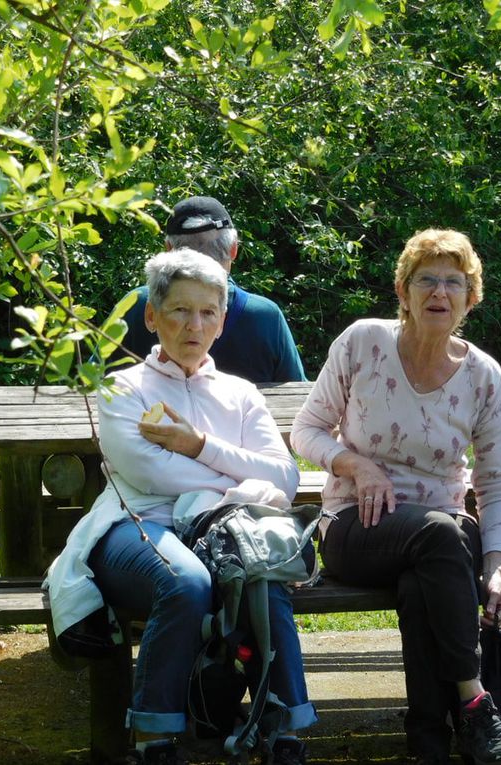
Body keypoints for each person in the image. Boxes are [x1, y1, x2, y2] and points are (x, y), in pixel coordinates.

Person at [44, 249, 317, 765]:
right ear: (152, 317)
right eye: (180, 311)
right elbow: (148, 474)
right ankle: (154, 740)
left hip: (225, 529)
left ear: (221, 321)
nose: (195, 325)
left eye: (208, 312)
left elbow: (284, 475)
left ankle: (282, 732)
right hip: (137, 525)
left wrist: (196, 445)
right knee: (186, 580)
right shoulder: (123, 388)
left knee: (260, 571)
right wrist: (237, 472)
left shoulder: (240, 394)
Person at [291, 229, 501, 765]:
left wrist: (496, 566)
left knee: (425, 576)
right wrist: (353, 463)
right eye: (427, 279)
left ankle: (429, 741)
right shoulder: (362, 343)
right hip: (356, 524)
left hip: (443, 532)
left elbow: (495, 483)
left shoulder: (483, 376)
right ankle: (474, 704)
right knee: (441, 538)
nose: (439, 292)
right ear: (403, 291)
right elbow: (305, 430)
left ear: (471, 297)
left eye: (455, 282)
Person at [110, 195, 306, 382]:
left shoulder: (136, 304)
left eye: (208, 313)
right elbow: (300, 394)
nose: (196, 325)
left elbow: (91, 383)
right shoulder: (265, 316)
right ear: (234, 250)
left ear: (168, 249)